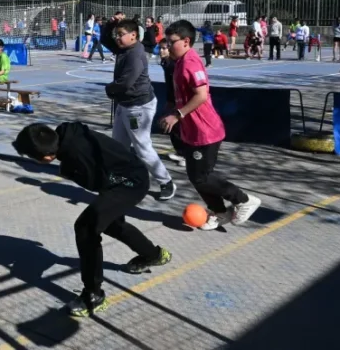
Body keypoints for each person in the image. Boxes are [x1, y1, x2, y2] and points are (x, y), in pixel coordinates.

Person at [12, 122, 172, 317]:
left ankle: (93, 295)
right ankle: (153, 255)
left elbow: (94, 182)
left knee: (86, 228)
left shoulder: (77, 157)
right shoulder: (66, 133)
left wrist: (70, 171)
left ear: (47, 157)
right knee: (112, 224)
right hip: (124, 176)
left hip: (129, 184)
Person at [159, 20, 261, 230]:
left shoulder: (191, 63)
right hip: (191, 131)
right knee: (197, 176)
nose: (168, 46)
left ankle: (243, 199)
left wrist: (177, 115)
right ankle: (220, 212)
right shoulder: (179, 62)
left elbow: (201, 95)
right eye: (166, 42)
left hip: (206, 131)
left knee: (202, 177)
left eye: (171, 42)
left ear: (186, 41)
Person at [104, 19, 176, 201]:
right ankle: (122, 178)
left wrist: (110, 89)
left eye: (121, 34)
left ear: (133, 35)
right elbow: (105, 40)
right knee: (118, 146)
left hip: (138, 106)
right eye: (117, 35)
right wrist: (111, 25)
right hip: (124, 104)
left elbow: (127, 82)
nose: (117, 38)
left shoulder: (135, 54)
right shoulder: (124, 48)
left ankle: (166, 182)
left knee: (142, 147)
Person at [158, 39, 185, 166]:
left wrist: (175, 101)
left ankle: (184, 155)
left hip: (179, 100)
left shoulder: (174, 64)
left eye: (164, 48)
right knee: (173, 128)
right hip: (172, 98)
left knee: (176, 127)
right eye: (160, 48)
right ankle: (181, 153)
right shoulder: (166, 62)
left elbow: (178, 85)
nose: (161, 51)